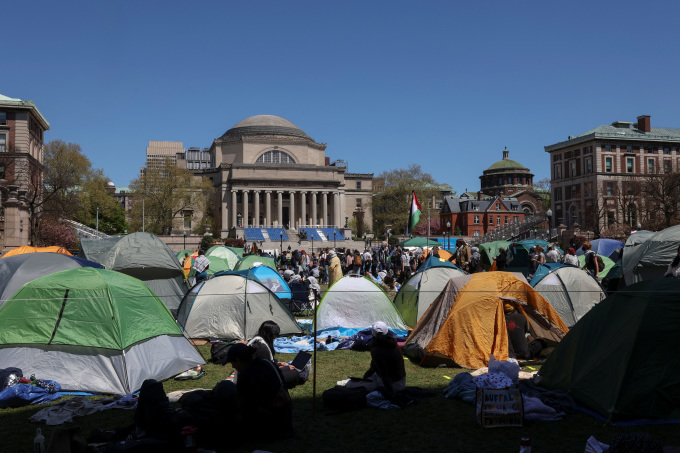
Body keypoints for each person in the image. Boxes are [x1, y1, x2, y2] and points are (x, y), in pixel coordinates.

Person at [226, 343, 294, 439]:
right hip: (286, 420)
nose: (233, 366)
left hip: (270, 427)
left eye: (232, 363)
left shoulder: (246, 375)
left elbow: (245, 404)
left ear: (238, 360)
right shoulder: (267, 363)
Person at [359, 321, 406, 397]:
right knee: (368, 379)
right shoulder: (393, 343)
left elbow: (384, 375)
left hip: (394, 385)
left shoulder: (377, 350)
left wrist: (390, 394)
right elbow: (374, 367)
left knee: (353, 385)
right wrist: (365, 377)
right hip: (401, 381)